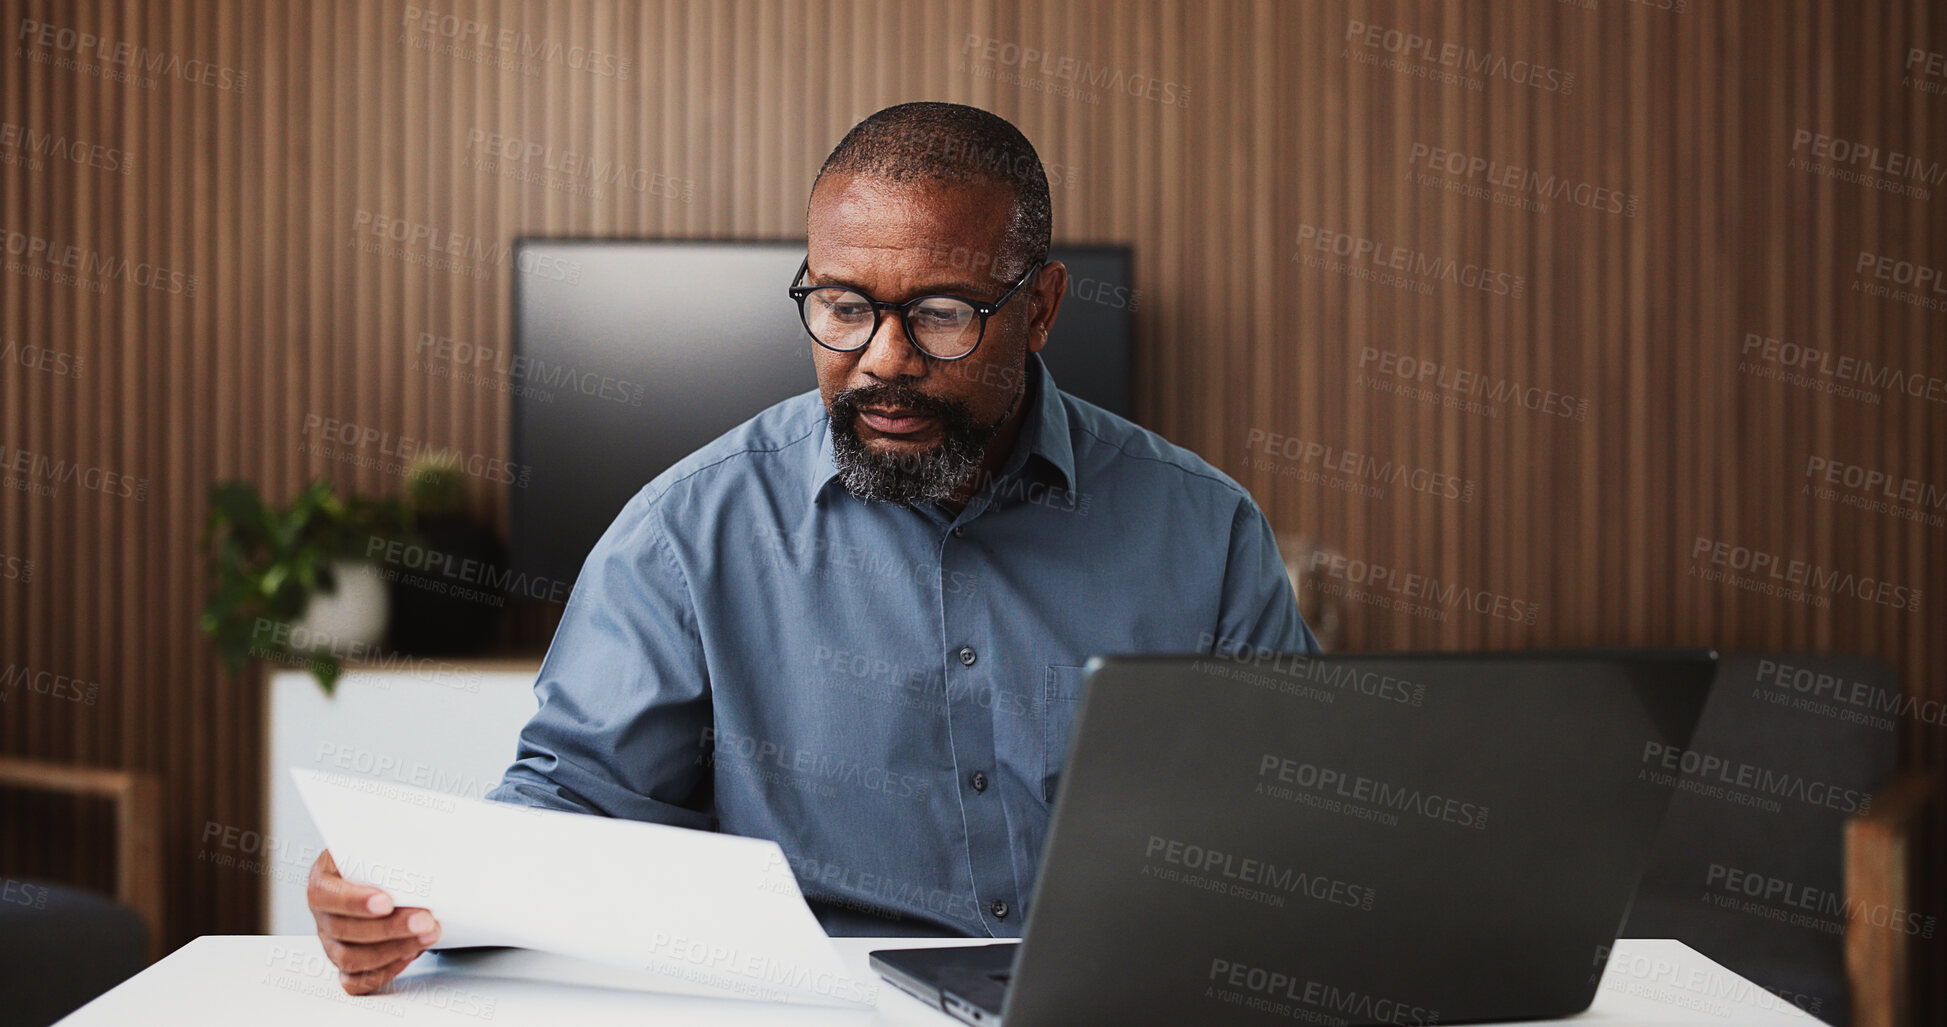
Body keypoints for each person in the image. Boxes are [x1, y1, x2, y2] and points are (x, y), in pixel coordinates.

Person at [308, 100, 1319, 995]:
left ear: (1041, 308)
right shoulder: (684, 531)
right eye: (843, 307)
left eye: (941, 313)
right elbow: (573, 800)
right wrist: (406, 892)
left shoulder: (1205, 529)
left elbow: (1296, 826)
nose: (884, 359)